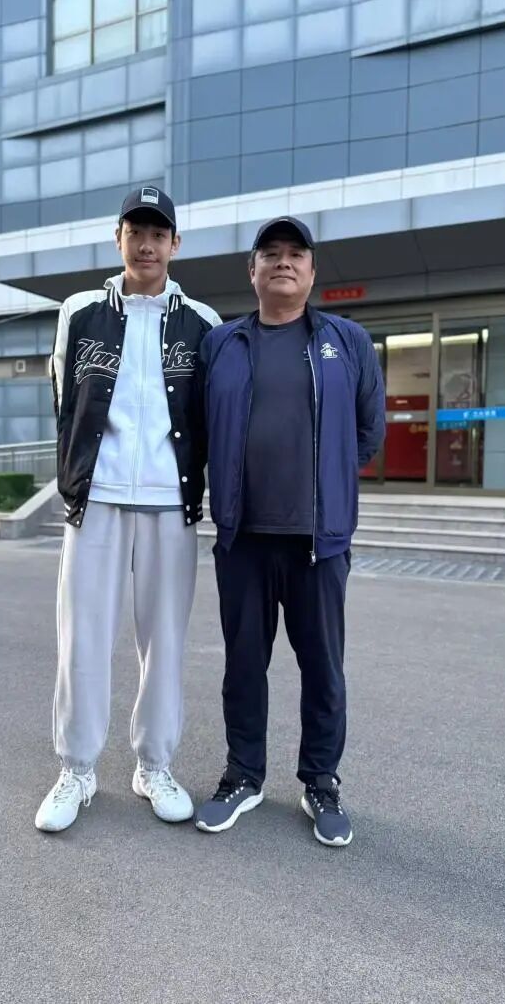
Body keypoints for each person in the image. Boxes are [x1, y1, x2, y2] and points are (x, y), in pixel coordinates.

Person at [35, 186, 221, 833]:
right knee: (82, 639)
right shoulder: (81, 311)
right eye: (135, 232)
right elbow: (64, 400)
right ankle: (77, 769)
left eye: (158, 233)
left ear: (175, 244)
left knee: (164, 643)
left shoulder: (203, 321)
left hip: (170, 501)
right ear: (118, 238)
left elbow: (208, 414)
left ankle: (154, 765)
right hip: (98, 499)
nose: (146, 244)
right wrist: (74, 479)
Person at [195, 216, 385, 847]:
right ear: (251, 271)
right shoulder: (222, 344)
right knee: (244, 665)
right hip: (243, 539)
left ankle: (320, 782)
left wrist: (326, 481)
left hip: (317, 543)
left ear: (312, 270)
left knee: (322, 668)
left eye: (295, 253)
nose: (283, 261)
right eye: (270, 253)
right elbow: (200, 427)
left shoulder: (346, 341)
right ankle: (243, 776)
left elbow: (368, 431)